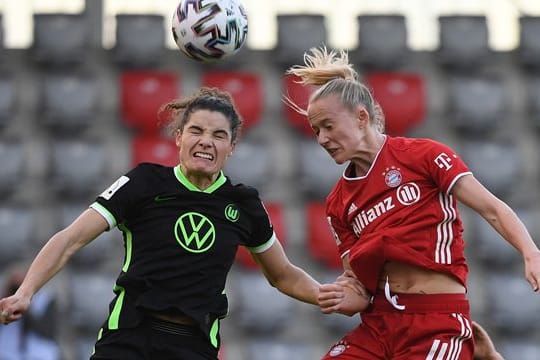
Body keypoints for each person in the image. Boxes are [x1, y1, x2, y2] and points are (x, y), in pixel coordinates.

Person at [0, 87, 324, 360]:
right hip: (128, 336)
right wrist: (26, 291)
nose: (206, 141)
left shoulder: (243, 203)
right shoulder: (144, 182)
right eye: (196, 131)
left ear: (232, 147)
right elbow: (71, 238)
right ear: (179, 137)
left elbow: (282, 274)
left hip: (194, 346)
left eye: (218, 135)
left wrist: (326, 294)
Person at [286, 47, 540, 359]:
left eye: (328, 126)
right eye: (315, 131)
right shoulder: (337, 203)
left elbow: (492, 208)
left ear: (361, 117)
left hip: (435, 320)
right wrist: (342, 297)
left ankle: (477, 350)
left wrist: (531, 252)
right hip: (379, 324)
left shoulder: (424, 156)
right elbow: (359, 287)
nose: (322, 139)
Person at [0, 263, 61, 360]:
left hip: (40, 353)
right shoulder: (7, 298)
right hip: (9, 353)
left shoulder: (47, 299)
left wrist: (24, 307)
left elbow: (46, 331)